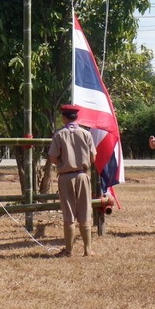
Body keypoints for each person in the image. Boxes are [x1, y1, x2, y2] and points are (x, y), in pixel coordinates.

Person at [47, 104, 97, 257]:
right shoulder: (86, 134)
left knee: (68, 215)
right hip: (82, 175)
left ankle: (68, 250)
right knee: (85, 212)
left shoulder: (59, 135)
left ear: (64, 117)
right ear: (76, 117)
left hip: (66, 177)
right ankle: (88, 249)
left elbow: (53, 157)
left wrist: (63, 164)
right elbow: (93, 157)